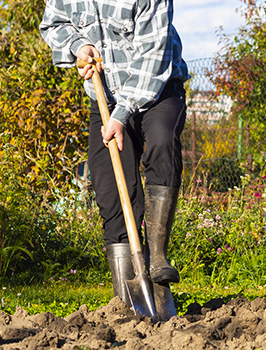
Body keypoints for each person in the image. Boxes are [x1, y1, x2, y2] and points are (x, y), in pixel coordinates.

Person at [39, 0, 188, 306]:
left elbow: (154, 55)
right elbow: (52, 24)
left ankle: (158, 257)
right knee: (109, 185)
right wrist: (80, 46)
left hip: (158, 89)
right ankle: (130, 298)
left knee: (161, 140)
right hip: (106, 99)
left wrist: (122, 115)